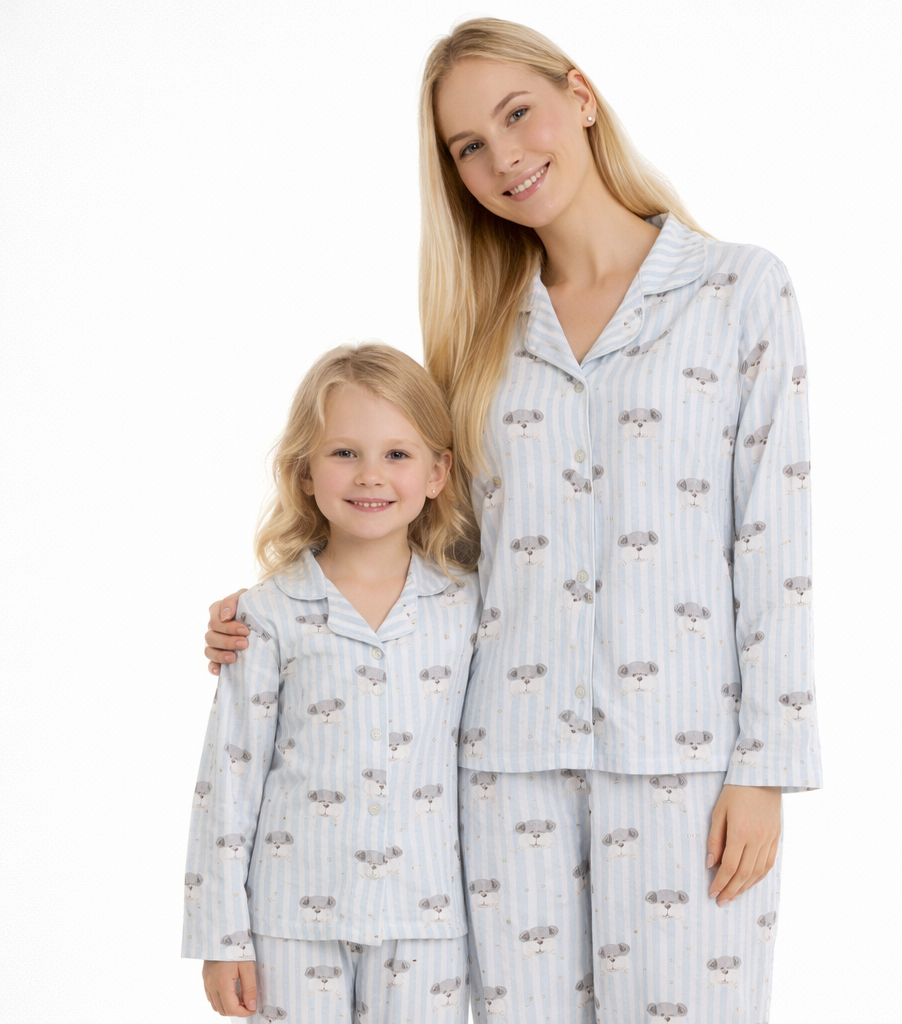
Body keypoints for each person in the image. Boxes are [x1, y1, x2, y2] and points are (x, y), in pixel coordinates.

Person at [204, 18, 822, 1023]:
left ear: (580, 95)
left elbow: (775, 539)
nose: (503, 158)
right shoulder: (478, 332)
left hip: (685, 760)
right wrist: (281, 610)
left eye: (517, 113)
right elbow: (436, 541)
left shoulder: (738, 289)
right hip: (500, 769)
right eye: (468, 146)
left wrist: (768, 769)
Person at [184, 343, 480, 1022]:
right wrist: (221, 938)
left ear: (438, 472)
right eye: (344, 452)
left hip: (428, 921)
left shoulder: (469, 609)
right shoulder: (266, 615)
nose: (370, 474)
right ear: (305, 472)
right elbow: (228, 780)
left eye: (397, 454)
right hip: (291, 922)